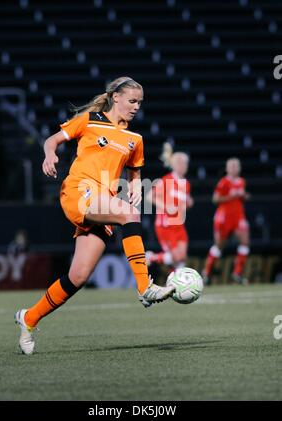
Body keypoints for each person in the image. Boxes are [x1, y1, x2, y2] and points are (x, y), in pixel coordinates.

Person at [15, 76, 175, 355]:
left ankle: (28, 319)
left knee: (78, 276)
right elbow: (52, 141)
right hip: (79, 192)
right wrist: (49, 155)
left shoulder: (135, 139)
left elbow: (134, 172)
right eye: (132, 101)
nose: (136, 107)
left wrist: (136, 186)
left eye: (140, 102)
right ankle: (144, 287)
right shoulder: (89, 120)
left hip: (103, 203)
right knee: (128, 212)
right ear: (116, 97)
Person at [145, 142, 194, 272]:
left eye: (185, 163)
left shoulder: (186, 184)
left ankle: (178, 284)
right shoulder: (166, 180)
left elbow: (183, 205)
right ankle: (151, 258)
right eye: (181, 163)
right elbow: (150, 197)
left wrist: (188, 203)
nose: (184, 166)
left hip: (179, 224)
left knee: (182, 257)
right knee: (176, 257)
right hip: (165, 224)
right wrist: (166, 206)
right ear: (175, 164)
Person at [202, 157, 250, 285]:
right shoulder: (223, 182)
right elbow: (215, 199)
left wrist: (244, 196)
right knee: (219, 245)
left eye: (236, 166)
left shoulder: (241, 181)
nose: (234, 168)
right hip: (223, 218)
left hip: (238, 217)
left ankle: (237, 273)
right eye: (232, 166)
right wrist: (231, 196)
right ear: (228, 168)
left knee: (245, 242)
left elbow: (242, 198)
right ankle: (206, 273)